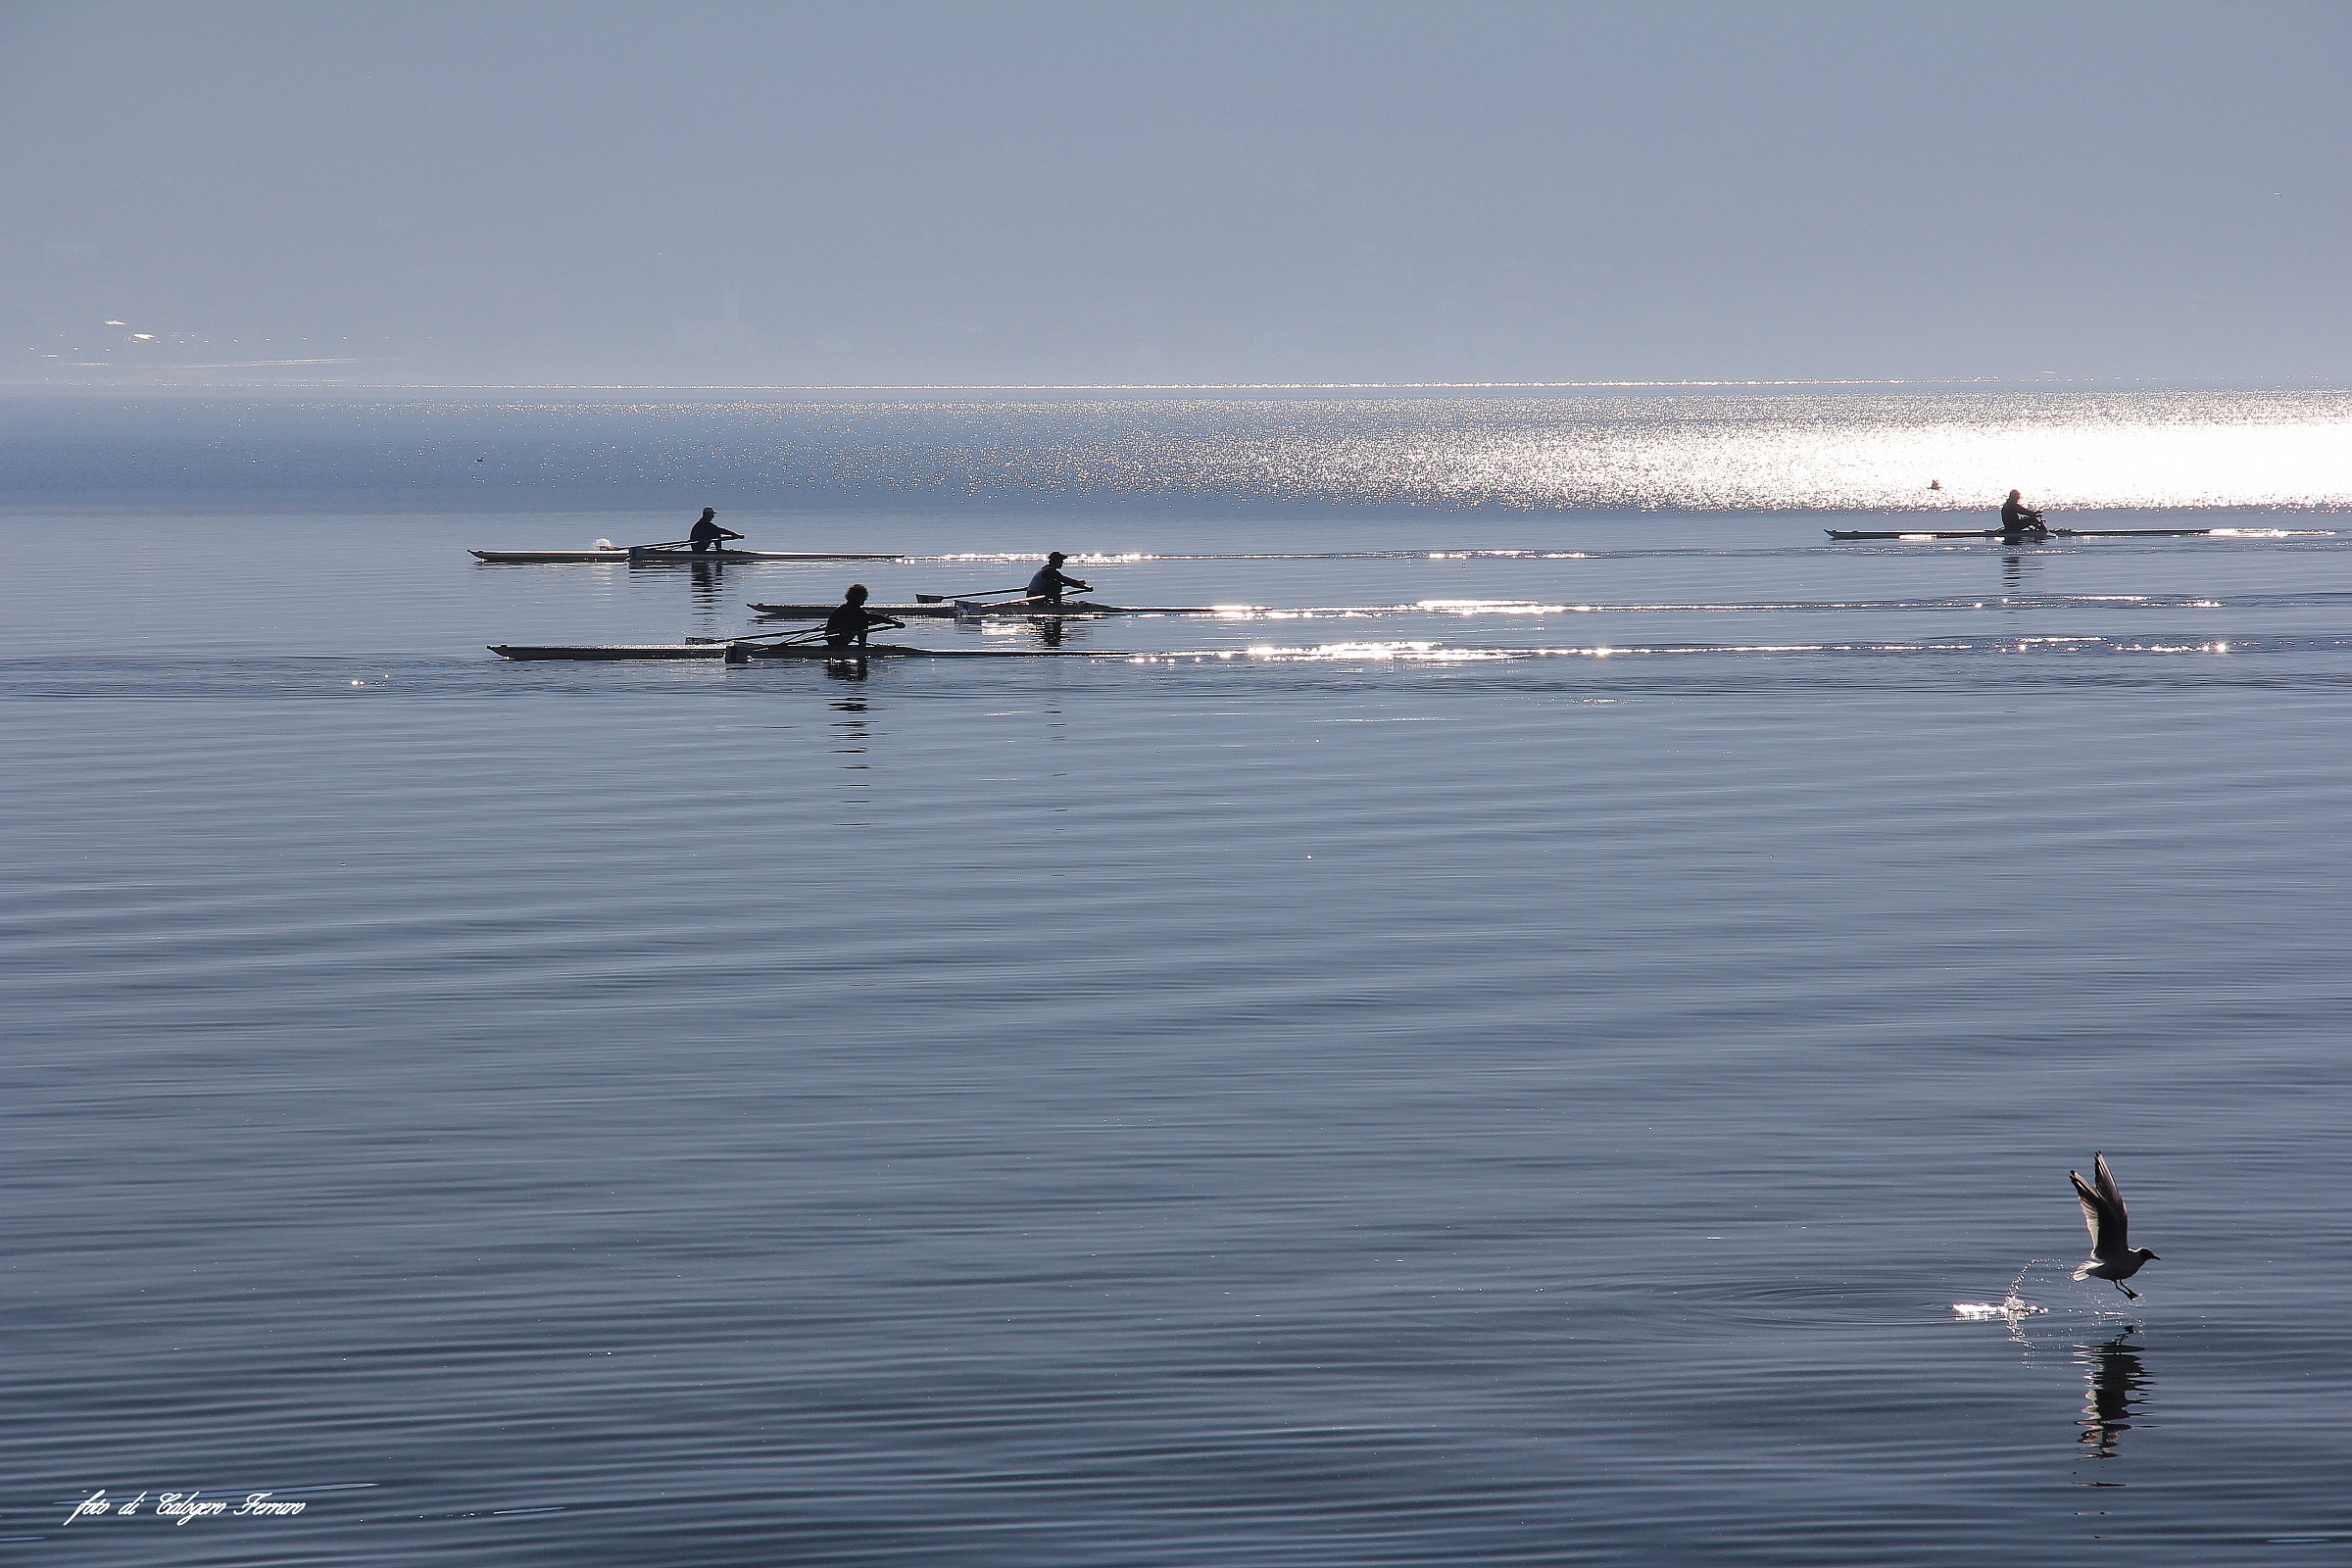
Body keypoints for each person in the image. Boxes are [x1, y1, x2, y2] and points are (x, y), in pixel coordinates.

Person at [823, 584, 903, 650]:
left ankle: (862, 646)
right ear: (857, 597)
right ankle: (862, 647)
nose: (865, 599)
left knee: (862, 619)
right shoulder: (851, 609)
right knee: (863, 622)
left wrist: (887, 618)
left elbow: (870, 613)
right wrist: (895, 622)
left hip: (838, 637)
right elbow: (871, 616)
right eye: (863, 597)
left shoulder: (849, 607)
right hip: (836, 639)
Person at [1025, 551, 1092, 607]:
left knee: (1056, 583)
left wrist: (1078, 582)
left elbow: (1064, 578)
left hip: (1033, 593)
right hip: (1034, 596)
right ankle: (1057, 605)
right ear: (1055, 561)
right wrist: (1086, 588)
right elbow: (1066, 581)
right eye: (1061, 560)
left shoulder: (1047, 568)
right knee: (1056, 584)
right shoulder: (1050, 572)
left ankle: (1055, 603)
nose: (1062, 562)